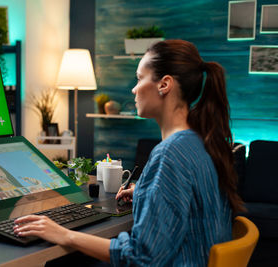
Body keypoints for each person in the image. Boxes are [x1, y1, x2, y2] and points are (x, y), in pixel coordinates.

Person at [13, 40, 244, 266]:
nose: (134, 89)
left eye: (140, 78)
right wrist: (147, 193)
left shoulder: (170, 154)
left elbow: (141, 257)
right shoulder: (199, 142)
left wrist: (63, 234)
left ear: (164, 84)